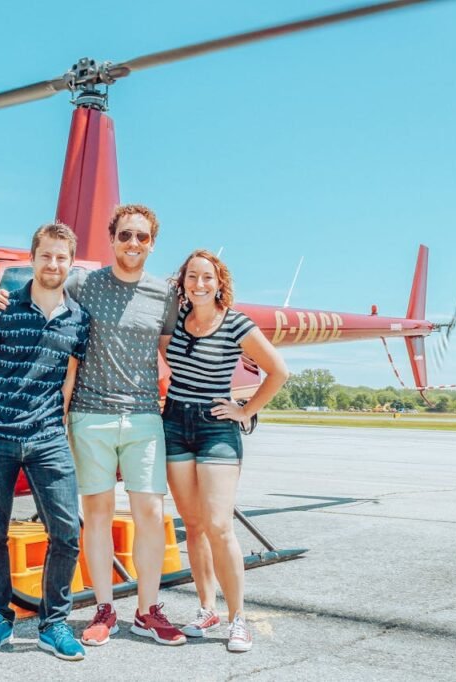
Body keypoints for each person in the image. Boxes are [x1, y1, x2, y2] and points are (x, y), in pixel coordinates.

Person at [0, 204, 186, 647]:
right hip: (90, 416)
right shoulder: (83, 282)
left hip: (144, 416)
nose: (133, 244)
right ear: (112, 240)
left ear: (152, 243)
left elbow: (175, 353)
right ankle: (104, 608)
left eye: (142, 237)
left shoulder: (164, 295)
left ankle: (148, 610)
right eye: (125, 236)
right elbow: (41, 286)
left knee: (150, 513)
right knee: (95, 514)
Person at [0, 222, 91, 661]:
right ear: (33, 258)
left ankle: (54, 622)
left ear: (70, 262)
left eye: (62, 257)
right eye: (46, 255)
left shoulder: (78, 319)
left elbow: (67, 384)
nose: (53, 264)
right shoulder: (2, 310)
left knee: (66, 533)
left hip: (47, 438)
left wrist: (63, 433)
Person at [160, 249, 289, 653]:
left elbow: (279, 371)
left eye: (207, 278)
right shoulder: (175, 322)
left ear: (220, 284)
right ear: (182, 283)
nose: (199, 284)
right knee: (193, 525)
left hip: (217, 426)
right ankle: (206, 608)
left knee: (218, 525)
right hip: (175, 423)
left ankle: (238, 618)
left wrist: (245, 410)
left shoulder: (236, 323)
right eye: (192, 277)